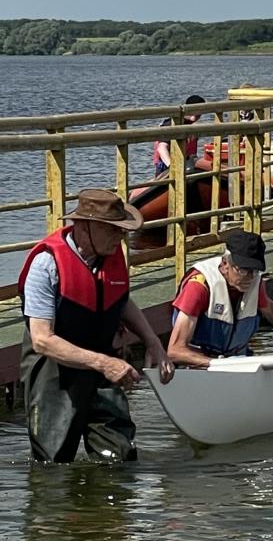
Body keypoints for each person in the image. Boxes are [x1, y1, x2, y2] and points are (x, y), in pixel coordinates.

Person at [17, 188, 174, 463]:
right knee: (53, 463)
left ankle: (107, 505)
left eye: (123, 230)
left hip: (102, 363)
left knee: (120, 457)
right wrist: (104, 363)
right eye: (114, 230)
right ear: (84, 227)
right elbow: (42, 339)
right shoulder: (46, 265)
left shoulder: (111, 257)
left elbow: (121, 299)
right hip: (55, 371)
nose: (121, 237)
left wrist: (152, 341)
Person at [168, 230, 273, 366]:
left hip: (237, 361)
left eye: (254, 270)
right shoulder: (199, 286)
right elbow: (175, 351)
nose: (249, 277)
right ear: (225, 264)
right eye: (243, 270)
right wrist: (218, 365)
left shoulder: (255, 282)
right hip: (199, 365)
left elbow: (269, 309)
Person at [152, 94, 206, 175]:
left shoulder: (191, 125)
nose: (197, 113)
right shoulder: (172, 123)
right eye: (195, 109)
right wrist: (172, 167)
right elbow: (161, 148)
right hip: (166, 168)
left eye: (200, 111)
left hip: (186, 165)